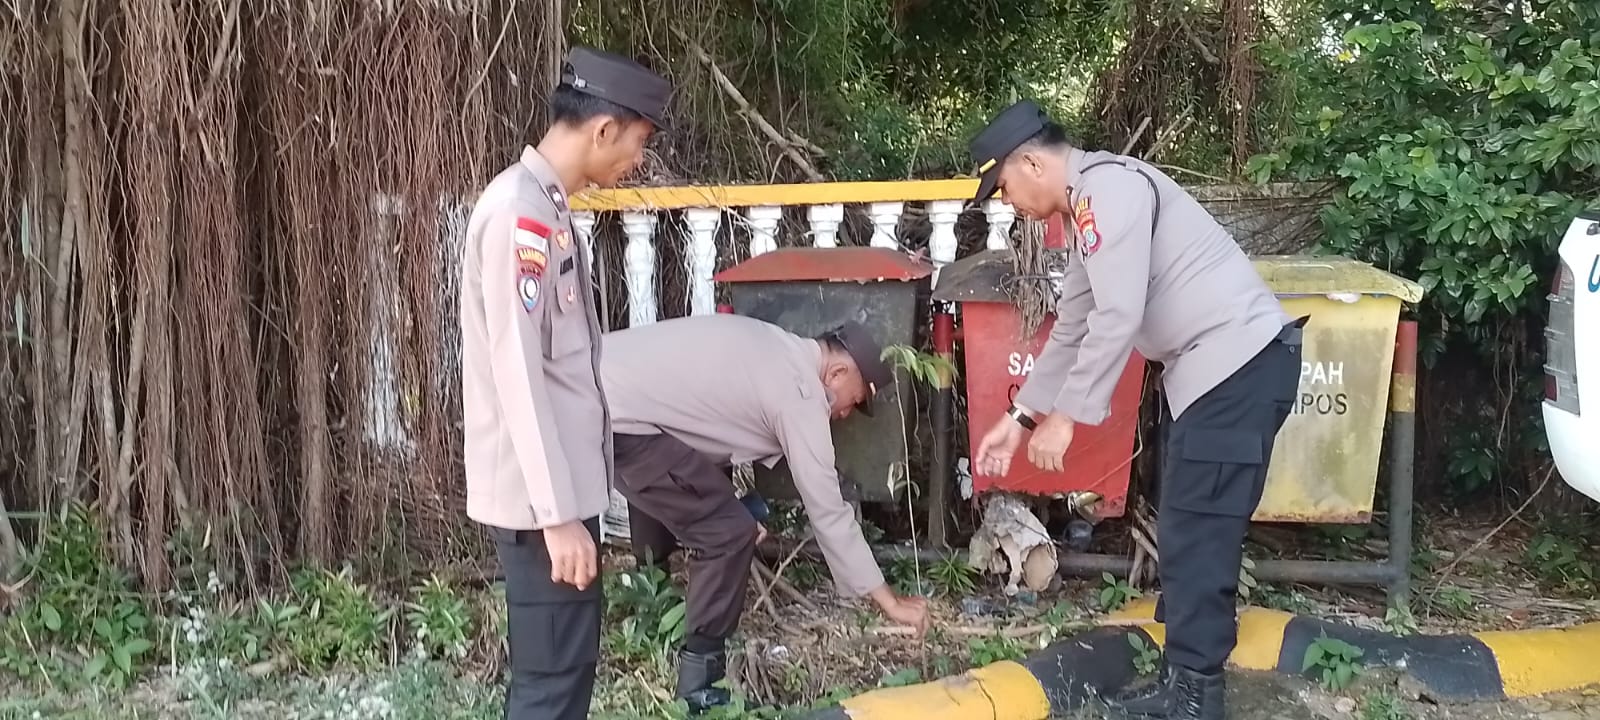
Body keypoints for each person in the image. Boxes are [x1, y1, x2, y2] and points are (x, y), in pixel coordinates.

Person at [967, 100, 1305, 720]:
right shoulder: (1089, 207)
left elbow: (1117, 316)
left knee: (1199, 533)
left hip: (1237, 368)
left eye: (1003, 185)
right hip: (1213, 375)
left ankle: (1197, 701)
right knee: (1184, 527)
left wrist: (1068, 416)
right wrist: (1019, 422)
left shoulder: (1108, 192)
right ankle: (1184, 687)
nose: (1005, 200)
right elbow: (1072, 327)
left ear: (1032, 162)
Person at [459, 46, 671, 720]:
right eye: (636, 144)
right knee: (551, 689)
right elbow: (517, 371)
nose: (634, 163)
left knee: (568, 678)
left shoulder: (546, 209)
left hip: (557, 500)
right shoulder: (519, 215)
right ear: (603, 128)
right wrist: (557, 517)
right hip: (538, 509)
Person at [600, 313, 932, 713]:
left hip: (593, 387)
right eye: (855, 400)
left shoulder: (776, 345)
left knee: (704, 499)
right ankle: (699, 685)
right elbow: (828, 511)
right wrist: (889, 600)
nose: (844, 414)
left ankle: (651, 595)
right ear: (838, 372)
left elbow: (700, 435)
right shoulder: (801, 393)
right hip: (618, 418)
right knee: (729, 534)